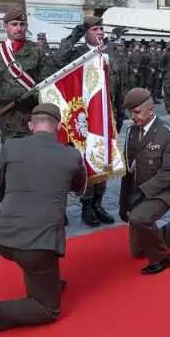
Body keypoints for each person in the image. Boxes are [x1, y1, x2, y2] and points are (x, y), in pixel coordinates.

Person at [0, 103, 87, 337]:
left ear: (31, 126)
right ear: (59, 128)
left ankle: (47, 281)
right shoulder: (71, 154)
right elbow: (79, 189)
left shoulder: (11, 146)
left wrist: (17, 205)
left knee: (38, 266)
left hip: (2, 237)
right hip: (37, 247)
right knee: (49, 309)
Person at [55, 16, 117, 227]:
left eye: (102, 28)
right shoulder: (79, 53)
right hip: (84, 117)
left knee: (104, 160)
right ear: (87, 32)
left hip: (108, 114)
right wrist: (76, 33)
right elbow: (60, 57)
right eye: (95, 29)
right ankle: (86, 206)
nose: (100, 32)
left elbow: (119, 82)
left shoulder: (111, 51)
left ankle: (99, 203)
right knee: (88, 161)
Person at [118, 88, 170, 275]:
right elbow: (129, 170)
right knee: (137, 251)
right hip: (139, 191)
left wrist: (141, 192)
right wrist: (123, 201)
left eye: (137, 112)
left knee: (140, 218)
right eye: (130, 112)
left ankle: (162, 258)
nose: (133, 117)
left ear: (151, 110)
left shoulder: (169, 134)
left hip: (162, 191)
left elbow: (169, 172)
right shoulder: (132, 132)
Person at [0, 7, 53, 142]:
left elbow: (47, 83)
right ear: (5, 27)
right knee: (12, 158)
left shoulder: (38, 51)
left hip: (34, 117)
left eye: (22, 24)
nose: (19, 28)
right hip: (8, 119)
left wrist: (32, 97)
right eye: (14, 24)